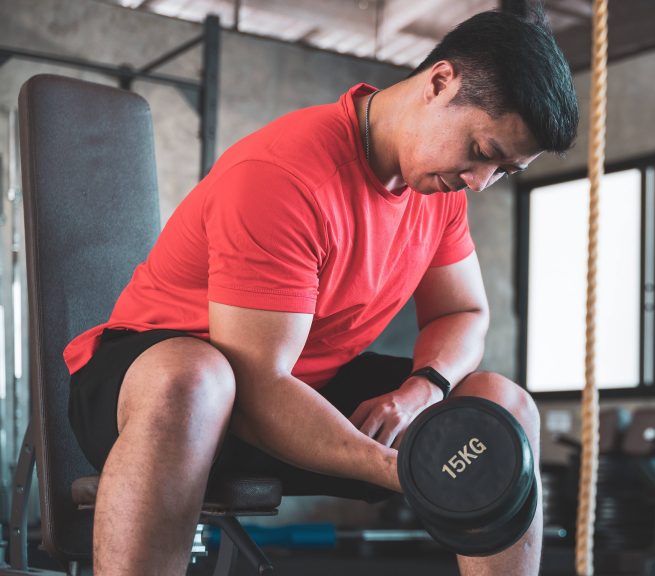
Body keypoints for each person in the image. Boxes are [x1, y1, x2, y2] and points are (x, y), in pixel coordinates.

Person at [62, 8, 578, 576]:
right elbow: (257, 386)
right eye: (482, 152)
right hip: (155, 395)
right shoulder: (285, 175)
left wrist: (421, 392)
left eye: (505, 170)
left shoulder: (440, 193)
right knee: (198, 377)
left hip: (296, 391)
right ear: (439, 83)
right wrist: (406, 468)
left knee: (501, 408)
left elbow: (463, 311)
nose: (481, 182)